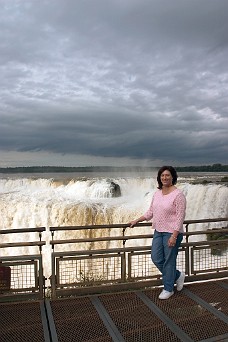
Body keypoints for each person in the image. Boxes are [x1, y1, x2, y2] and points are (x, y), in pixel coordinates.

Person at [129, 165, 186, 300]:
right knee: (156, 258)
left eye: (167, 175)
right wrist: (138, 220)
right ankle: (178, 275)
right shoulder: (157, 194)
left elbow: (180, 217)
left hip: (172, 233)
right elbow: (151, 212)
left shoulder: (178, 195)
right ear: (159, 178)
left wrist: (174, 235)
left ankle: (168, 288)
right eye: (162, 176)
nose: (164, 178)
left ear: (173, 177)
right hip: (158, 231)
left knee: (169, 261)